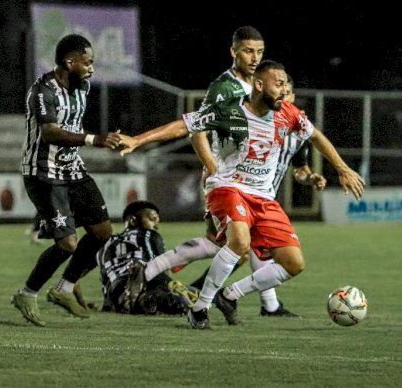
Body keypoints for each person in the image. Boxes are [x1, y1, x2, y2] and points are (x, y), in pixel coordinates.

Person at [117, 59, 365, 329]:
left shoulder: (289, 114)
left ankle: (230, 295)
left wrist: (342, 168)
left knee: (293, 263)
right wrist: (138, 140)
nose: (284, 90)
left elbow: (315, 135)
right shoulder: (230, 112)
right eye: (279, 84)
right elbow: (185, 126)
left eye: (286, 85)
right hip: (227, 187)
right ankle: (200, 308)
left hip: (263, 198)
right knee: (240, 242)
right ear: (259, 85)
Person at [145, 73, 324, 319]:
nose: (286, 96)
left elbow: (300, 171)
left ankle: (249, 300)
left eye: (289, 92)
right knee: (233, 244)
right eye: (282, 89)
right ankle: (165, 277)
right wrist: (212, 166)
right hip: (230, 187)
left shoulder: (293, 134)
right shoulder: (244, 114)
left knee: (247, 249)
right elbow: (195, 128)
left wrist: (311, 177)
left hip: (263, 197)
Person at [11, 34, 130, 327]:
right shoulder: (41, 91)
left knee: (103, 232)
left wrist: (104, 139)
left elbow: (72, 125)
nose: (92, 68)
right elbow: (50, 132)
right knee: (66, 245)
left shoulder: (83, 87)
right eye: (88, 63)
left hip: (73, 169)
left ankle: (64, 288)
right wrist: (94, 139)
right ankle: (27, 293)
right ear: (69, 62)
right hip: (43, 173)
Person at [97, 200, 198, 315]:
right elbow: (159, 267)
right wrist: (170, 287)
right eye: (152, 219)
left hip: (115, 293)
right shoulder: (147, 234)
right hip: (142, 281)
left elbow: (104, 278)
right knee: (185, 297)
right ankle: (148, 299)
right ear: (133, 220)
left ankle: (131, 301)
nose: (156, 226)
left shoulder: (107, 243)